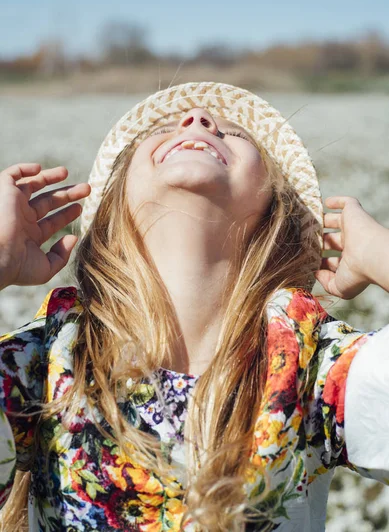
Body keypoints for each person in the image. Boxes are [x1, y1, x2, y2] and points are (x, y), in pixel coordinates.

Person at [0, 81, 388, 532]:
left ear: (276, 213)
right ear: (113, 209)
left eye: (236, 134)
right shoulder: (46, 361)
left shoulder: (313, 367)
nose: (199, 120)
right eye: (167, 126)